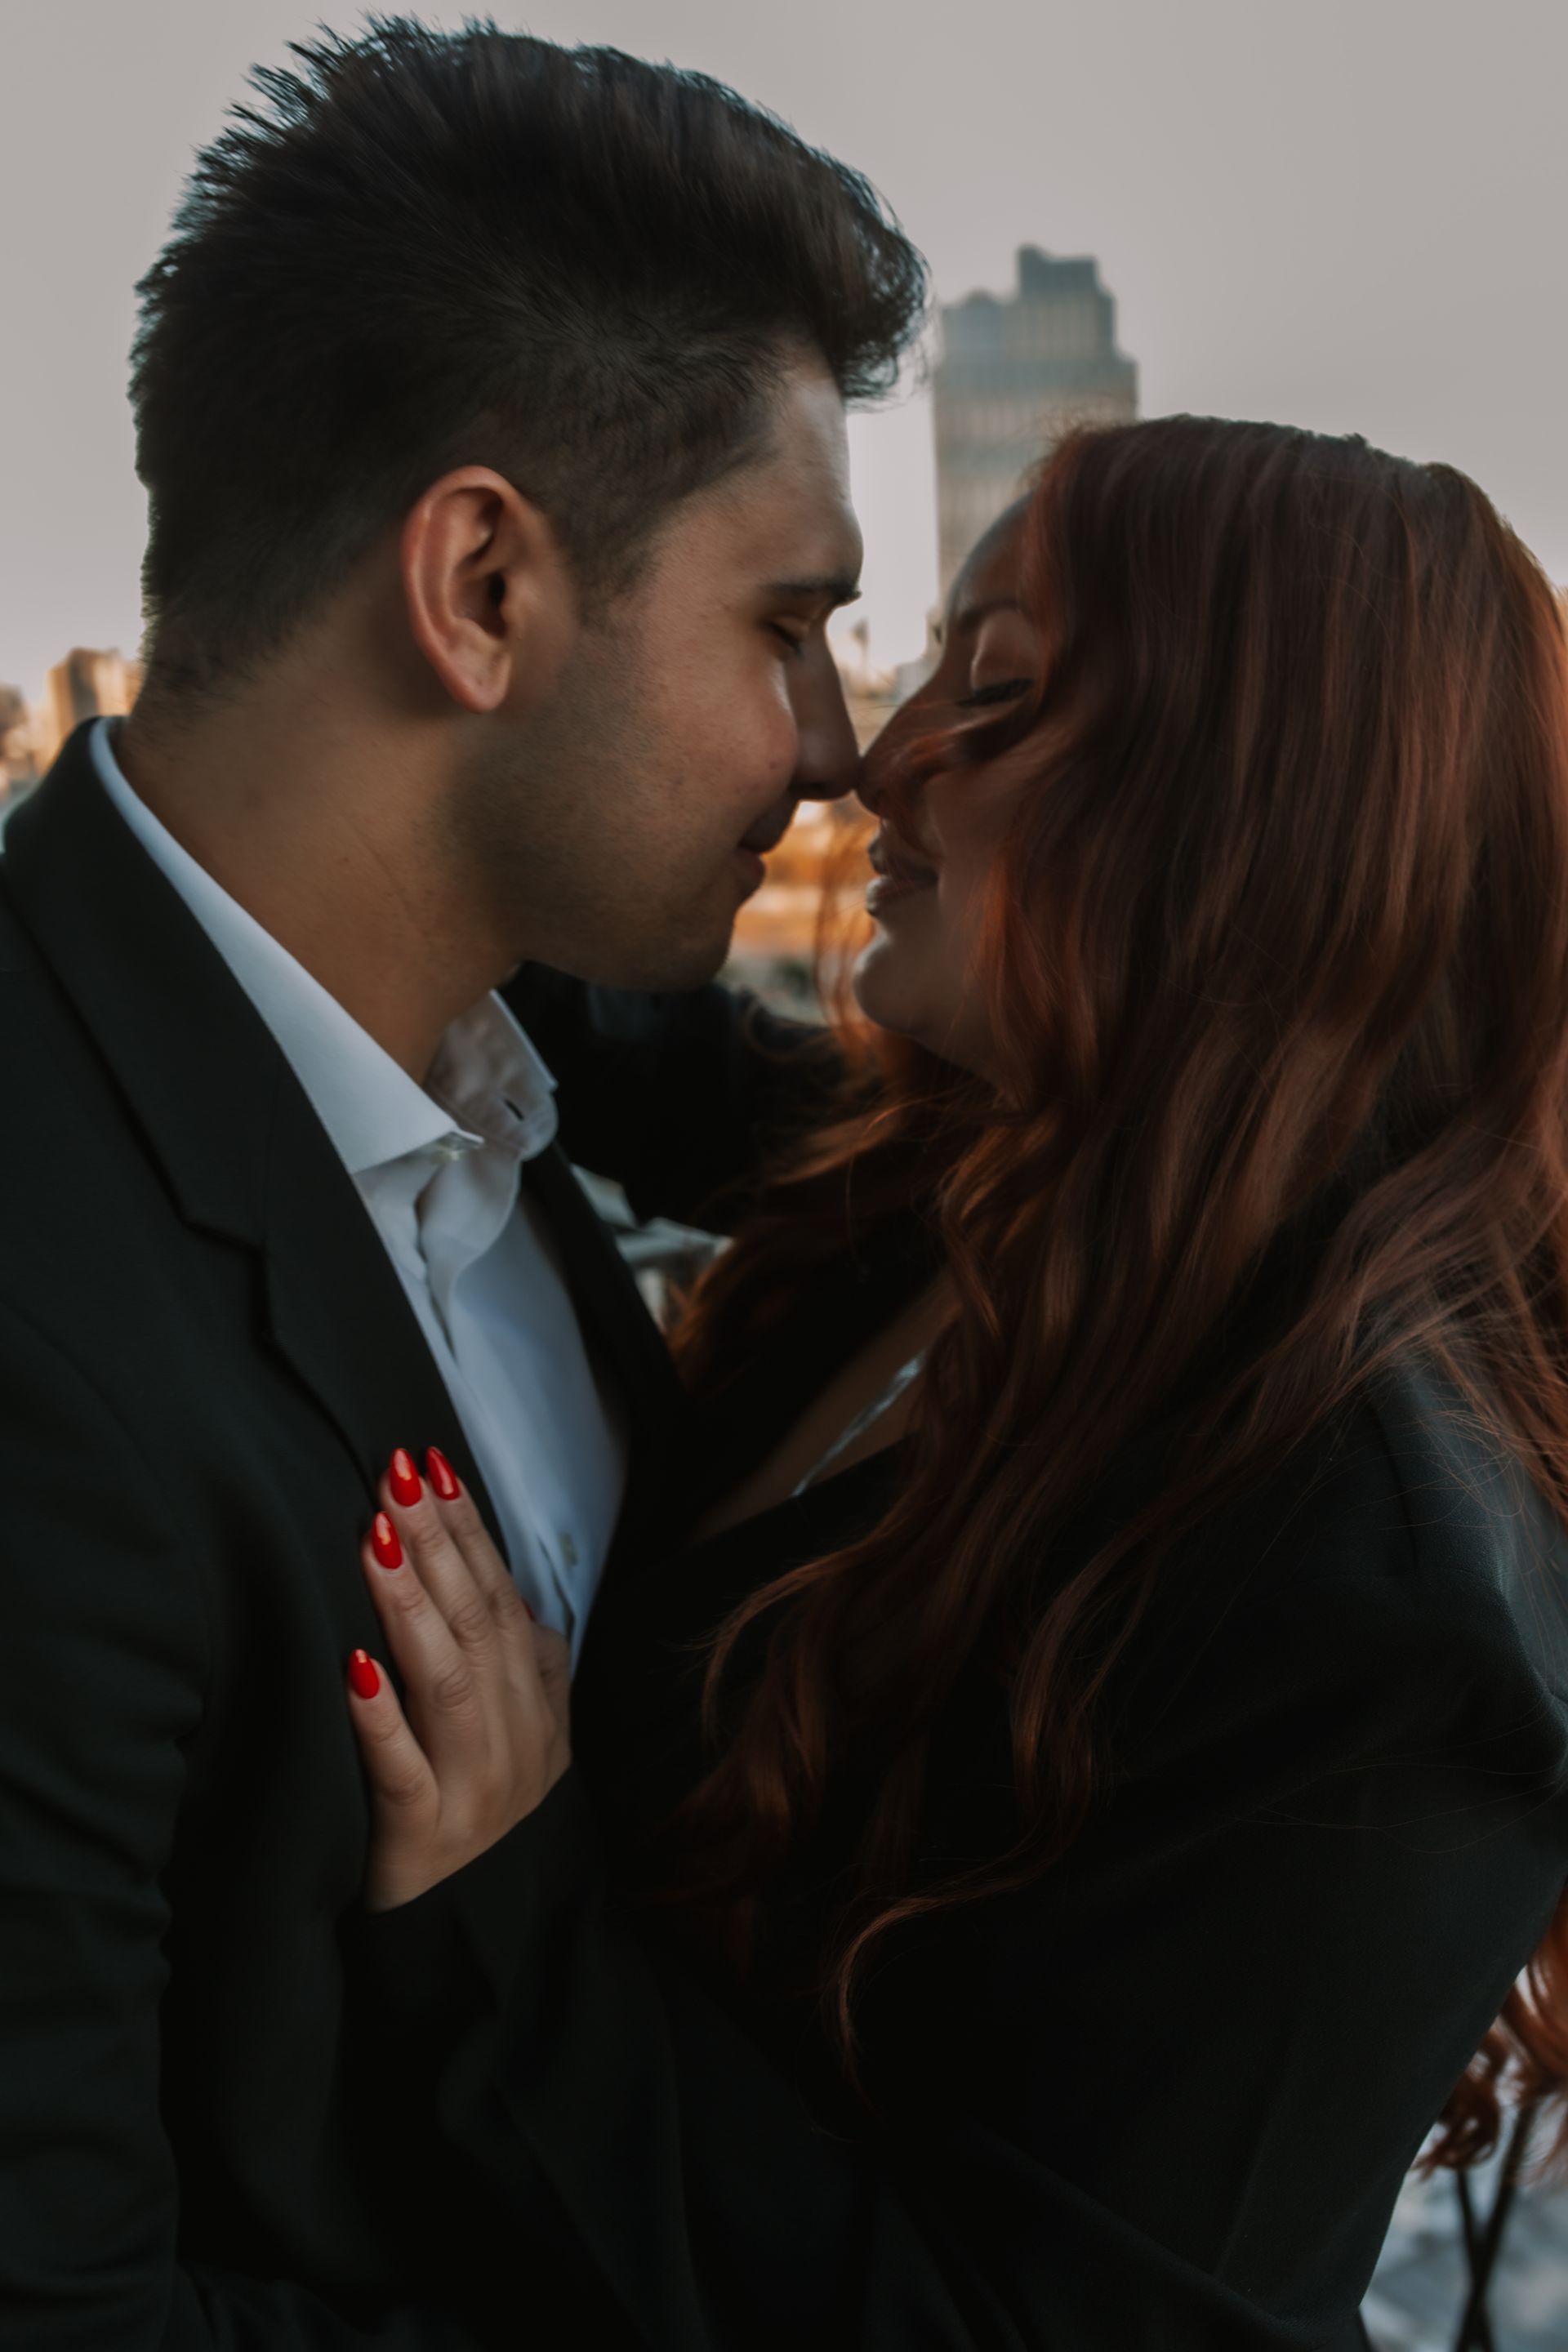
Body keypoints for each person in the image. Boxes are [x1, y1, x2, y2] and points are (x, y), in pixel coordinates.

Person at [341, 420, 1568, 2350]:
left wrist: (515, 1910)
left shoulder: (1383, 1617)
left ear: (1240, 820)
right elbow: (601, 1011)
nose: (882, 756)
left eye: (994, 701)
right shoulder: (978, 1190)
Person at [0, 21, 926, 2348]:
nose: (843, 750)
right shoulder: (36, 1331)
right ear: (486, 589)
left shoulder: (504, 1056)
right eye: (788, 621)